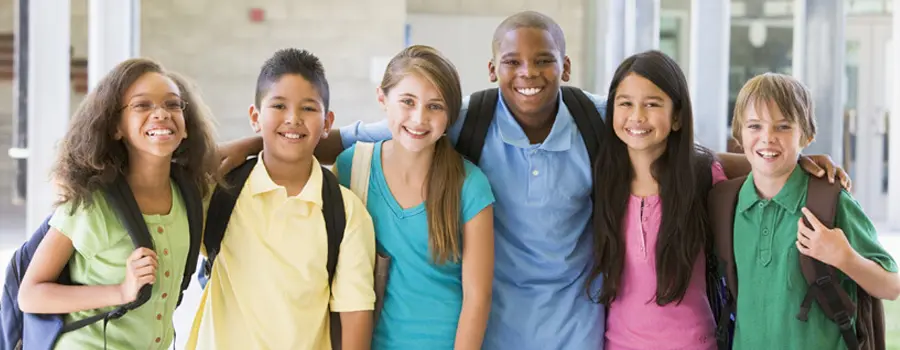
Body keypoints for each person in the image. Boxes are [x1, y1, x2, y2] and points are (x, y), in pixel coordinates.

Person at [216, 11, 848, 350]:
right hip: (495, 326)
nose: (528, 73)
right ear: (493, 68)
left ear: (565, 66)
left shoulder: (596, 114)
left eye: (544, 61)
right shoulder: (461, 119)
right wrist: (247, 144)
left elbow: (680, 144)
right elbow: (346, 135)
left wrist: (790, 163)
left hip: (577, 326)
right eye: (513, 62)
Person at [18, 58, 220, 349]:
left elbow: (221, 159)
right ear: (116, 127)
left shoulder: (188, 194)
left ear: (186, 127)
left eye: (173, 104)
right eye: (142, 105)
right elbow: (31, 295)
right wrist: (121, 291)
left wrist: (262, 142)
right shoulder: (92, 205)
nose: (161, 113)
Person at [185, 48, 377, 350]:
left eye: (308, 109)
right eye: (278, 105)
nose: (293, 119)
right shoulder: (221, 193)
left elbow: (355, 317)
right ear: (255, 117)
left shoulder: (346, 212)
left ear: (327, 123)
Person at [334, 45, 495, 349]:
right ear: (382, 98)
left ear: (450, 115)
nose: (419, 118)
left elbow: (478, 296)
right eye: (407, 101)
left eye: (435, 106)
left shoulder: (470, 185)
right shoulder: (351, 168)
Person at [725, 73, 899, 349]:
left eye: (783, 127)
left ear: (806, 135)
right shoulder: (726, 205)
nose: (767, 137)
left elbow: (891, 286)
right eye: (755, 126)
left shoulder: (831, 201)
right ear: (738, 133)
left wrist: (845, 258)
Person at [587, 50, 724, 349]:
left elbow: (760, 170)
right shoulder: (601, 177)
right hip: (618, 344)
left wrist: (804, 161)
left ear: (677, 117)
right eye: (625, 104)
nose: (637, 116)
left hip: (693, 343)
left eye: (652, 104)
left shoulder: (703, 176)